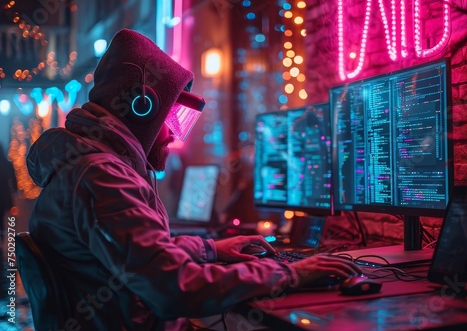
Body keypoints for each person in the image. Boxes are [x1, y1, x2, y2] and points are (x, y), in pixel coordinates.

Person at [26, 29, 361, 330]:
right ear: (142, 106)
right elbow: (173, 288)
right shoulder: (103, 176)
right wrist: (290, 273)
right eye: (171, 117)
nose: (174, 134)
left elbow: (144, 255)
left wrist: (210, 249)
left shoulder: (91, 165)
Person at [0, 143, 17, 244]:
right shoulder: (7, 164)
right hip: (5, 197)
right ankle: (2, 241)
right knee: (3, 218)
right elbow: (14, 180)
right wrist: (15, 190)